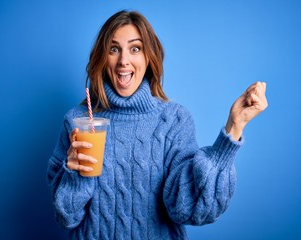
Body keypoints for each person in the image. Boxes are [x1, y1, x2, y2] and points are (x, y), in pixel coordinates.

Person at [47, 10, 268, 240]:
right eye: (114, 49)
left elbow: (188, 208)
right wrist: (73, 174)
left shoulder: (173, 121)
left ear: (148, 57)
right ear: (103, 58)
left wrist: (233, 127)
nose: (124, 60)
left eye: (135, 48)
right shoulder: (77, 121)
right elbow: (67, 217)